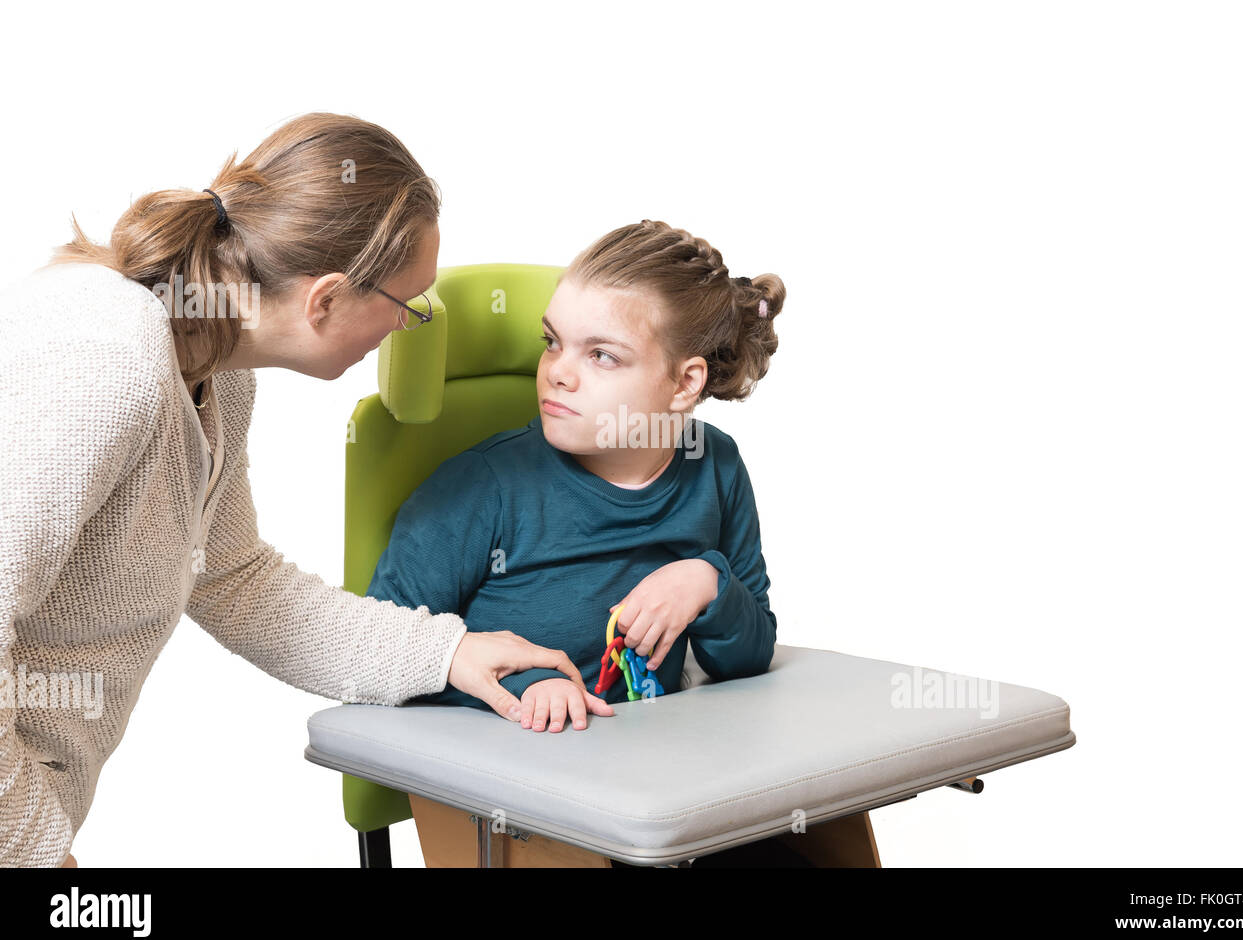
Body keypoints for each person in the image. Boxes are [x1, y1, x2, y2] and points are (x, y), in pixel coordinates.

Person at [0, 113, 586, 868]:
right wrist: (35, 854)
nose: (409, 329)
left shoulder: (220, 370)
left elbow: (236, 580)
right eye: (409, 306)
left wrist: (446, 652)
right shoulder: (107, 362)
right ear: (327, 299)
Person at [366, 220, 784, 733]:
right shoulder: (481, 488)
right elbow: (381, 652)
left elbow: (748, 658)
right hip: (505, 779)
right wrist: (526, 686)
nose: (558, 372)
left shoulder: (714, 465)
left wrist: (709, 584)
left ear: (685, 382)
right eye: (551, 342)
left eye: (601, 355)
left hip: (653, 775)